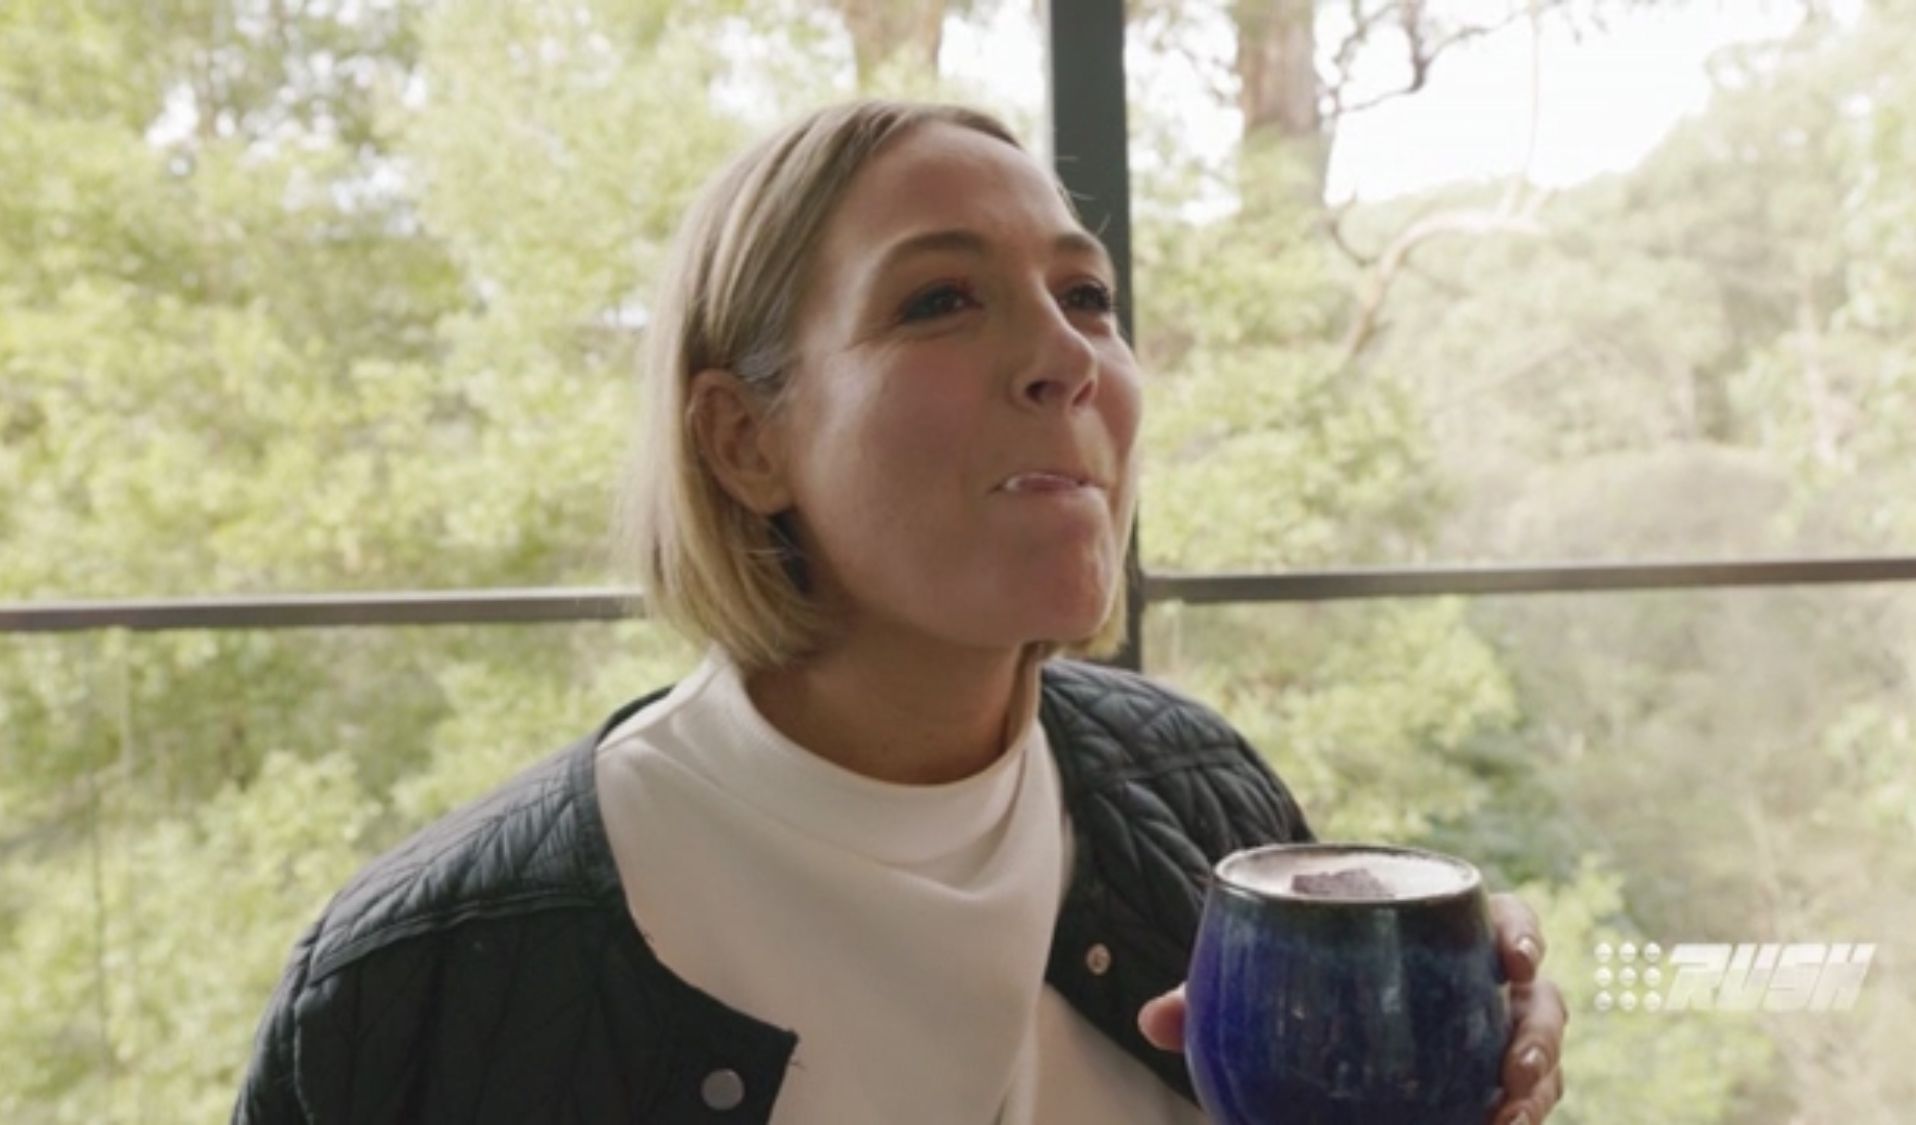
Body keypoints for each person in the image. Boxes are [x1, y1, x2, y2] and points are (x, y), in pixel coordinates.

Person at [234, 98, 1566, 1124]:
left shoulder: (1203, 796)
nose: (1067, 357)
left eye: (1087, 296)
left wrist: (1463, 1064)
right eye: (940, 301)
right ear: (745, 440)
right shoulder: (417, 989)